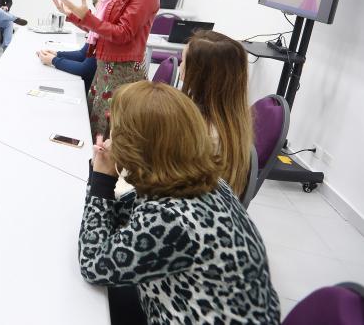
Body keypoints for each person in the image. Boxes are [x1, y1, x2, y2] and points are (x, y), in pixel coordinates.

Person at [78, 81, 279, 324]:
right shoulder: (199, 179)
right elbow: (123, 218)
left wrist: (101, 179)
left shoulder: (170, 217)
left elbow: (93, 263)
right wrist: (104, 181)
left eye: (116, 130)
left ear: (136, 147)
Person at [54, 0, 160, 141]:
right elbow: (102, 30)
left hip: (122, 72)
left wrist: (88, 17)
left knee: (107, 135)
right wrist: (75, 16)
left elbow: (122, 33)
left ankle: (102, 175)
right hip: (106, 69)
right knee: (95, 129)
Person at [181, 30, 254, 198]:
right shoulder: (232, 121)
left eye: (183, 61)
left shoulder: (201, 134)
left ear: (199, 75)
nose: (180, 66)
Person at [37, 0, 101, 91]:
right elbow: (82, 54)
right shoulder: (96, 33)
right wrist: (57, 54)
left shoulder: (104, 33)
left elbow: (85, 69)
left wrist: (53, 60)